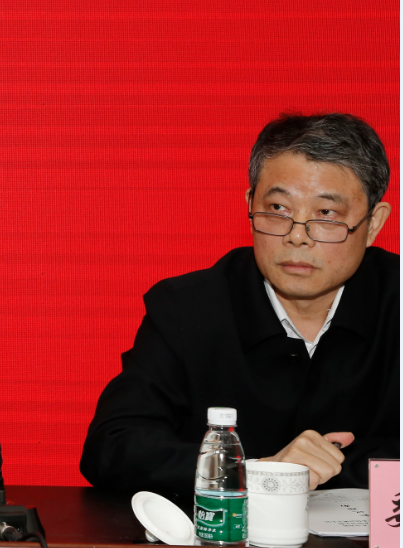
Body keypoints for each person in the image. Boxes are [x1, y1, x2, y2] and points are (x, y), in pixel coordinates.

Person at [80, 113, 397, 496]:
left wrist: (320, 470)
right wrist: (258, 473)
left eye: (326, 214)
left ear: (373, 223)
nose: (297, 236)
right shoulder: (188, 309)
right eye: (278, 209)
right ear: (250, 205)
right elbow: (113, 447)